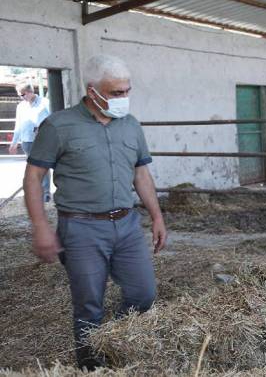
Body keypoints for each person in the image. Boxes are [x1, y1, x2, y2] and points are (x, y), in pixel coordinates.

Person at [23, 54, 167, 370]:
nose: (124, 98)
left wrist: (156, 216)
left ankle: (117, 347)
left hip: (127, 224)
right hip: (81, 228)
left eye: (127, 91)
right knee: (89, 306)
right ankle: (92, 367)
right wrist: (41, 226)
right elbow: (34, 176)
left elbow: (141, 174)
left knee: (143, 295)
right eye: (116, 93)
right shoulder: (59, 126)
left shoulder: (130, 125)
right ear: (92, 91)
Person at [9, 82, 51, 202]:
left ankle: (46, 193)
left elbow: (54, 117)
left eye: (22, 94)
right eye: (20, 95)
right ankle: (36, 191)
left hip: (41, 139)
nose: (21, 97)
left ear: (30, 92)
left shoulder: (45, 103)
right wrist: (14, 141)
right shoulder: (21, 106)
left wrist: (43, 127)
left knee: (42, 165)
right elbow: (18, 124)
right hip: (26, 140)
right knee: (32, 166)